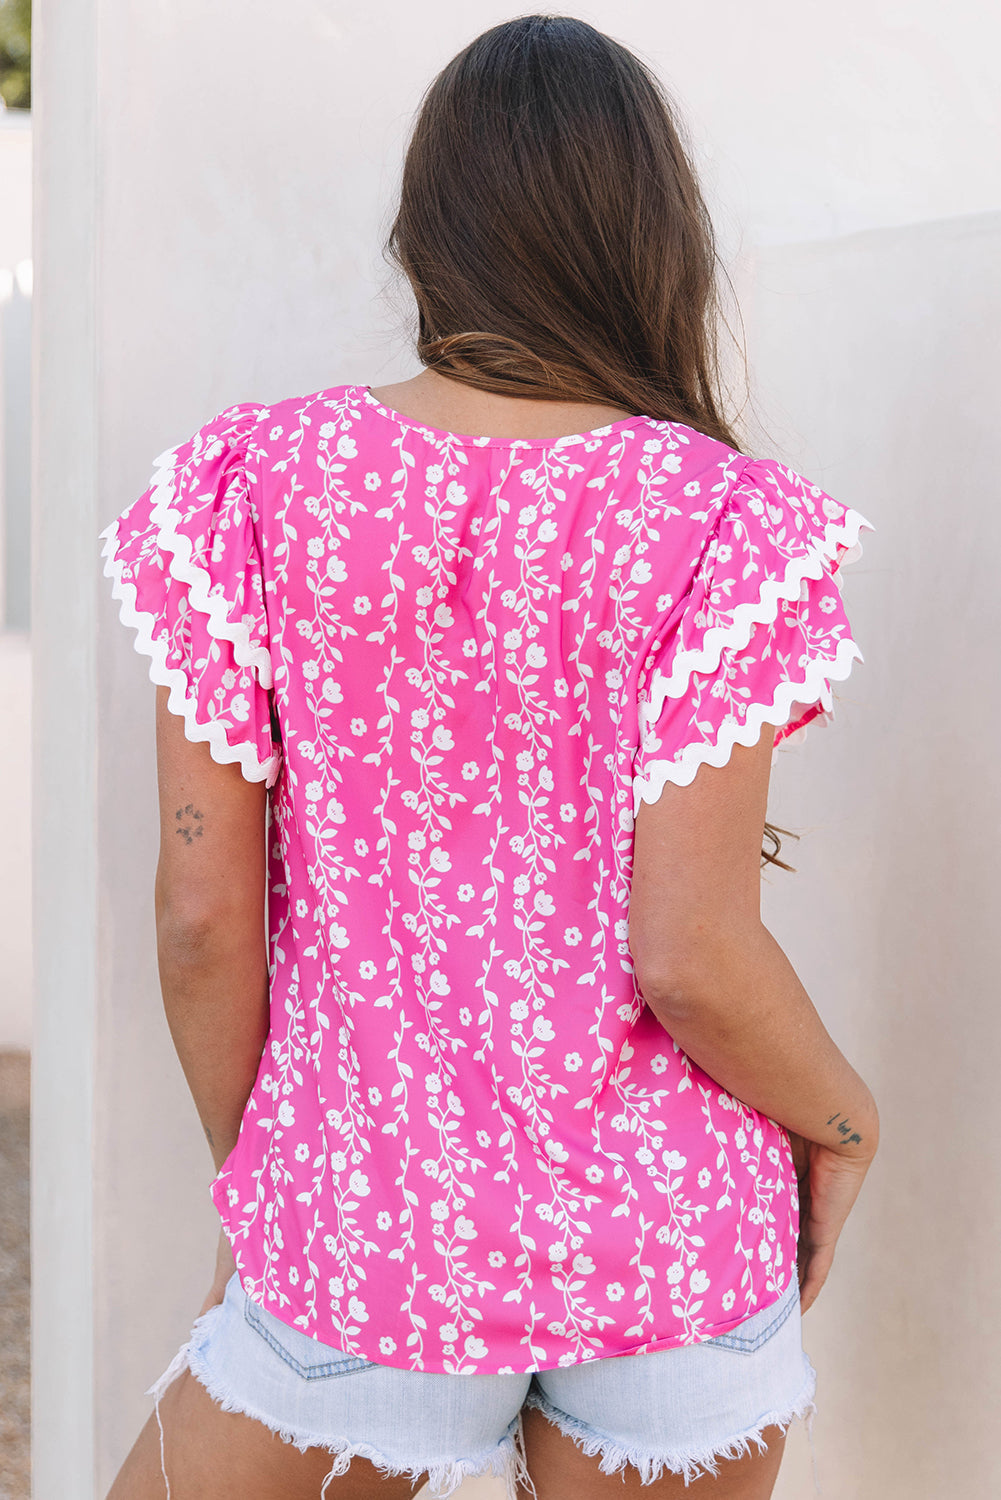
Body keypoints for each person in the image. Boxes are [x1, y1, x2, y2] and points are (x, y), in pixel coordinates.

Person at [99, 14, 879, 1500]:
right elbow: (693, 955)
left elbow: (201, 918)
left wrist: (275, 1179)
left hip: (368, 1226)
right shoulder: (722, 520)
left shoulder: (250, 485)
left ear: (425, 236)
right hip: (668, 1247)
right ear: (655, 240)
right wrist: (848, 1122)